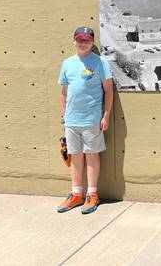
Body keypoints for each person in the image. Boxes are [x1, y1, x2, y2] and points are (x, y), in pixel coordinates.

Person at [56, 27, 114, 214]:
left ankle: (92, 194)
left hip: (92, 119)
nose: (83, 43)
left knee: (91, 155)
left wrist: (106, 115)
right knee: (75, 156)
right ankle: (76, 194)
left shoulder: (100, 62)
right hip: (71, 120)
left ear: (92, 42)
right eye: (80, 39)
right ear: (73, 41)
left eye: (87, 40)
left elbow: (109, 91)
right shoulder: (67, 63)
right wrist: (64, 114)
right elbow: (64, 92)